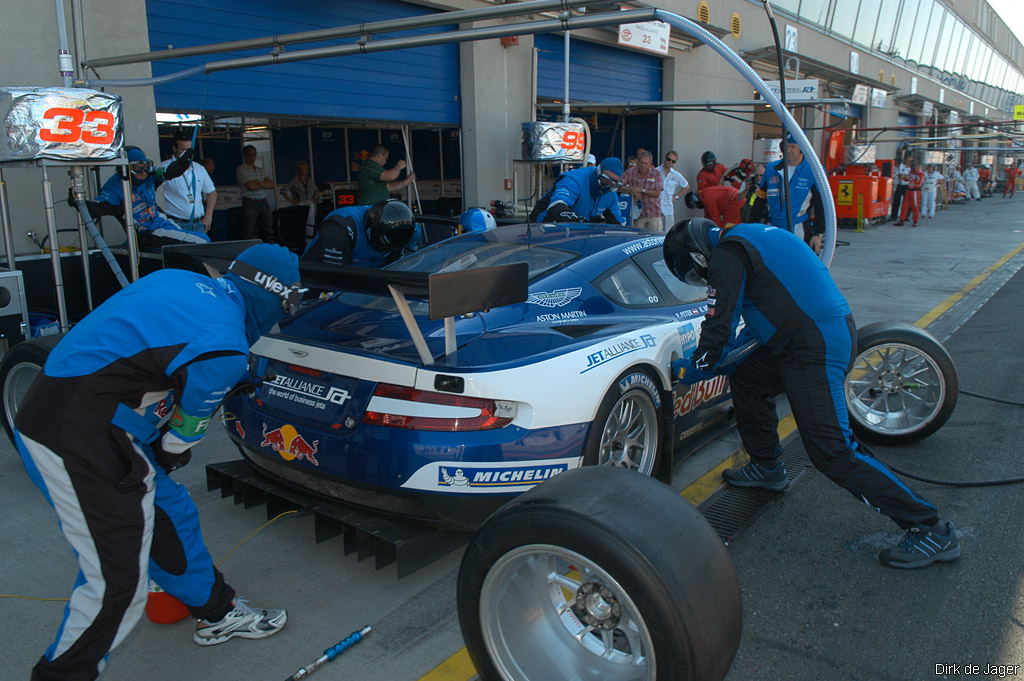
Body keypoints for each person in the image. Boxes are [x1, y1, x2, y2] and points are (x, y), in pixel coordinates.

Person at [13, 243, 299, 680]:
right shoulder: (225, 346)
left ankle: (216, 611)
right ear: (274, 298)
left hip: (81, 414)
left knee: (169, 510)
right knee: (116, 584)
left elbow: (148, 350)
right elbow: (180, 440)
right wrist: (171, 448)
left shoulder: (183, 281)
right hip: (76, 437)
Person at [663, 218, 961, 569]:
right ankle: (767, 466)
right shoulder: (751, 237)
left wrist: (692, 369)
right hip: (815, 335)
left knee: (831, 451)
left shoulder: (727, 255)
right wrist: (719, 363)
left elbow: (717, 331)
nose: (704, 278)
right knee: (748, 376)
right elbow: (753, 333)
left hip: (812, 348)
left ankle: (930, 528)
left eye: (699, 273)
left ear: (699, 255)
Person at [93, 146, 210, 248]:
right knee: (201, 242)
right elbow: (96, 207)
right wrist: (77, 198)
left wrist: (182, 162)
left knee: (204, 238)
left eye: (145, 167)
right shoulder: (114, 187)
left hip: (163, 225)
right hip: (146, 234)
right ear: (124, 168)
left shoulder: (149, 176)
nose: (143, 173)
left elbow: (169, 171)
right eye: (137, 169)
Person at [748, 134, 825, 254]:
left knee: (797, 265)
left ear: (802, 148)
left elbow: (822, 205)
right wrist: (750, 226)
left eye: (793, 146)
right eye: (786, 146)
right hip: (773, 226)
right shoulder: (771, 168)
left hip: (799, 229)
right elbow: (760, 199)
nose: (789, 150)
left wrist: (818, 234)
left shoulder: (814, 170)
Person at [302, 198, 419, 268]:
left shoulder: (411, 231)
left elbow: (405, 265)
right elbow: (330, 280)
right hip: (320, 277)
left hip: (373, 283)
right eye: (382, 244)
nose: (384, 250)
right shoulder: (339, 228)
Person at [528, 157, 625, 225]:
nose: (607, 186)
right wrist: (577, 219)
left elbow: (618, 223)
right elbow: (557, 205)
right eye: (605, 180)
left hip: (576, 231)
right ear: (598, 172)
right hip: (542, 225)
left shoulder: (610, 194)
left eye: (613, 184)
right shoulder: (574, 180)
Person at [160, 130, 218, 234]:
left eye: (189, 150)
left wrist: (208, 215)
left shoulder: (199, 168)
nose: (187, 154)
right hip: (176, 223)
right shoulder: (164, 168)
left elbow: (211, 191)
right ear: (174, 149)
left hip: (199, 223)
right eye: (183, 150)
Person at [235, 144, 275, 242]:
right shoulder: (241, 169)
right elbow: (250, 186)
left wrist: (258, 183)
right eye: (250, 155)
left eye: (254, 155)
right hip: (250, 203)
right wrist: (263, 184)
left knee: (267, 229)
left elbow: (272, 185)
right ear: (244, 156)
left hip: (264, 202)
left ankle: (267, 250)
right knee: (250, 230)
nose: (252, 157)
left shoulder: (260, 170)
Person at [622, 151, 665, 230]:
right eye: (641, 163)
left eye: (645, 163)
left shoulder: (656, 173)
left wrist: (642, 190)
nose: (643, 165)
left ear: (650, 163)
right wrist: (631, 189)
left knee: (654, 238)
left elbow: (657, 193)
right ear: (638, 162)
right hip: (637, 214)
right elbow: (618, 186)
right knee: (637, 238)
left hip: (654, 213)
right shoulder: (630, 172)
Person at [281, 160, 319, 240]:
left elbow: (316, 190)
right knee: (301, 224)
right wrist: (291, 200)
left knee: (311, 223)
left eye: (304, 169)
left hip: (310, 203)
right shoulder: (294, 181)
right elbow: (283, 190)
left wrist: (313, 199)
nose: (302, 171)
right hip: (301, 204)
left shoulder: (310, 180)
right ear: (297, 170)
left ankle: (309, 240)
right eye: (300, 169)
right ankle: (301, 240)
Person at [658, 150, 689, 231]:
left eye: (673, 161)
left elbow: (686, 186)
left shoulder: (676, 175)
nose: (670, 162)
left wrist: (676, 197)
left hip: (668, 207)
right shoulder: (656, 171)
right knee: (656, 230)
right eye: (668, 159)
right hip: (655, 207)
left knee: (669, 231)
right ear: (665, 158)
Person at [896, 161, 925, 227]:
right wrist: (903, 177)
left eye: (914, 167)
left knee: (915, 206)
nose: (913, 169)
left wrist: (910, 179)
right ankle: (901, 220)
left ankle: (915, 221)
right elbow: (907, 179)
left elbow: (919, 184)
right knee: (904, 206)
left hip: (915, 191)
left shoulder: (921, 174)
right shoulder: (911, 171)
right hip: (908, 190)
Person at [890, 156, 910, 221]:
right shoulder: (898, 168)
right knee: (896, 201)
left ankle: (906, 216)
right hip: (899, 185)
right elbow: (900, 175)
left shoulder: (910, 169)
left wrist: (904, 176)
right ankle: (894, 216)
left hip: (906, 185)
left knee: (906, 202)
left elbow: (908, 177)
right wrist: (904, 176)